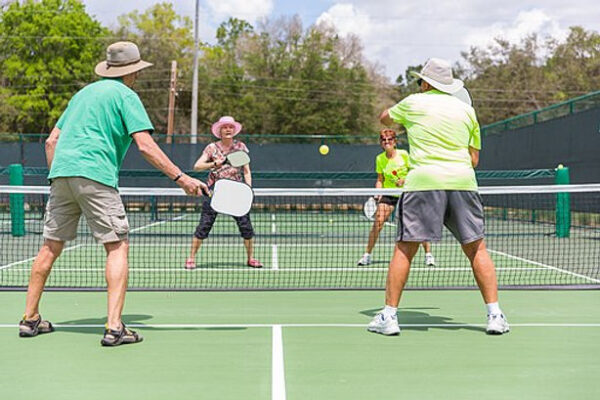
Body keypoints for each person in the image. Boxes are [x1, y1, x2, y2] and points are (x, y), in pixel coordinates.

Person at [18, 41, 209, 346]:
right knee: (117, 246)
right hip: (96, 175)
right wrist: (181, 177)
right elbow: (145, 145)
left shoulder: (81, 95)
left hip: (61, 175)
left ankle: (30, 319)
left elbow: (51, 142)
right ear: (132, 72)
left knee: (50, 247)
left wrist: (58, 177)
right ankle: (114, 327)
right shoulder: (126, 95)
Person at [367, 58, 509, 336]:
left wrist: (406, 119)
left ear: (427, 83)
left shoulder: (413, 103)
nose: (418, 85)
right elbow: (474, 159)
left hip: (424, 183)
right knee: (477, 248)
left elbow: (384, 118)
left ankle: (389, 317)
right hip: (463, 183)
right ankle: (495, 315)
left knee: (405, 248)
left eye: (420, 81)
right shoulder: (467, 112)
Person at [185, 116, 263, 269]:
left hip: (237, 192)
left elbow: (246, 171)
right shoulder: (211, 148)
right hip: (215, 191)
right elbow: (197, 166)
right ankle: (191, 258)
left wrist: (248, 190)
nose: (228, 129)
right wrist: (215, 163)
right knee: (204, 225)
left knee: (246, 227)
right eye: (225, 127)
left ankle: (251, 258)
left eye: (230, 127)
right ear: (219, 131)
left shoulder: (240, 147)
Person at [357, 128, 435, 267]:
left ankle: (428, 255)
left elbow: (415, 172)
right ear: (381, 143)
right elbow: (380, 179)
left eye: (390, 140)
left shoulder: (404, 155)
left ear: (395, 142)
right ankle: (367, 255)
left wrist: (404, 180)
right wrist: (377, 192)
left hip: (407, 193)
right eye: (384, 140)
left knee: (418, 224)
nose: (387, 142)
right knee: (378, 222)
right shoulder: (380, 159)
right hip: (389, 194)